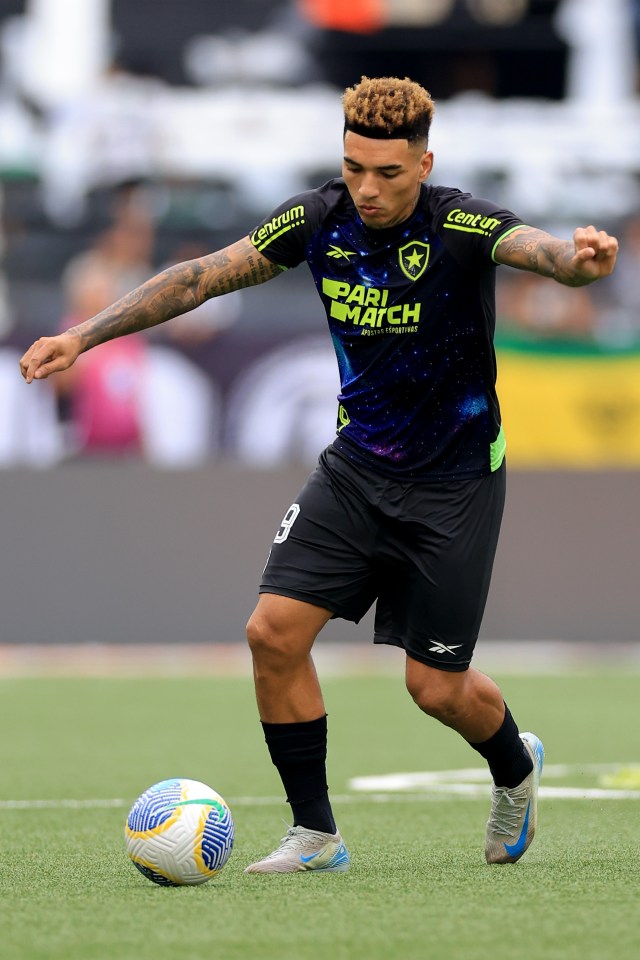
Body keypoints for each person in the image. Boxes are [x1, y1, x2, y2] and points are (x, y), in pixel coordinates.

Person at [20, 77, 618, 873]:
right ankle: (316, 834)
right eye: (354, 169)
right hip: (356, 471)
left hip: (455, 485)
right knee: (270, 634)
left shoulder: (460, 221)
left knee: (435, 689)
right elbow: (202, 275)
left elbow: (539, 253)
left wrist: (579, 263)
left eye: (389, 175)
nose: (368, 189)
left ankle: (515, 766)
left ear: (424, 163)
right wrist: (82, 335)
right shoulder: (318, 219)